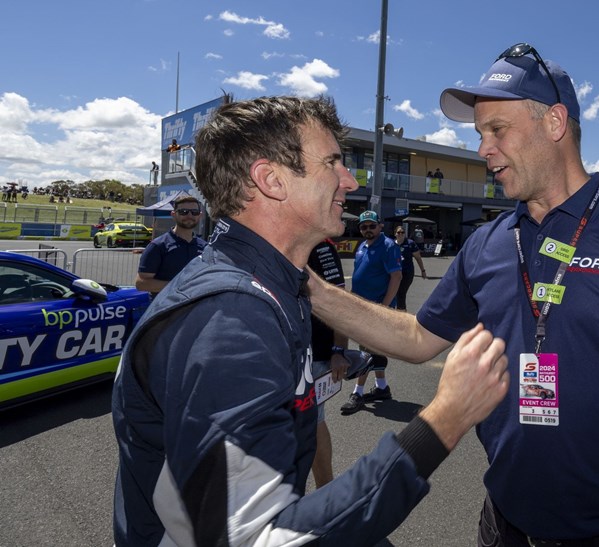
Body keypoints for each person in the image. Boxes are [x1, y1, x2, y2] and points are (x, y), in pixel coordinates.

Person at [308, 44, 599, 547]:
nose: (483, 149)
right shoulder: (487, 243)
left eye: (496, 130)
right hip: (502, 528)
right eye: (479, 134)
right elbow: (419, 337)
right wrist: (310, 289)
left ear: (554, 122)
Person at [111, 95, 510, 546]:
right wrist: (446, 418)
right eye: (332, 162)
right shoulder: (232, 318)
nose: (349, 179)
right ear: (271, 180)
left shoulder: (275, 283)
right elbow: (262, 537)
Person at [339, 211, 402, 415]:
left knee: (366, 351)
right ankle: (382, 388)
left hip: (375, 309)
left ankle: (357, 393)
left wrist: (383, 306)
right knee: (374, 350)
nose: (368, 229)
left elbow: (396, 277)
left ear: (380, 226)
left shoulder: (388, 246)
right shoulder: (362, 246)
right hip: (361, 306)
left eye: (371, 226)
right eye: (364, 226)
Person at [307, 239, 350, 488]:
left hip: (316, 352)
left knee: (312, 420)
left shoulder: (321, 246)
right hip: (284, 350)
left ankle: (326, 489)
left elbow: (340, 299)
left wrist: (338, 349)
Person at [135, 194, 207, 297]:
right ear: (173, 214)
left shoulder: (205, 247)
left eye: (194, 212)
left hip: (195, 309)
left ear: (200, 216)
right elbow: (141, 283)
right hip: (166, 310)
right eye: (183, 212)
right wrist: (180, 285)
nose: (189, 216)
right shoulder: (158, 246)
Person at [393, 225, 427, 311]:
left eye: (402, 232)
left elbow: (418, 258)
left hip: (407, 272)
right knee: (394, 292)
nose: (400, 234)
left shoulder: (410, 243)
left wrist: (422, 270)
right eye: (398, 232)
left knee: (401, 292)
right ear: (395, 234)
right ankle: (398, 311)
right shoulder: (391, 244)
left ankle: (402, 312)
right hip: (395, 273)